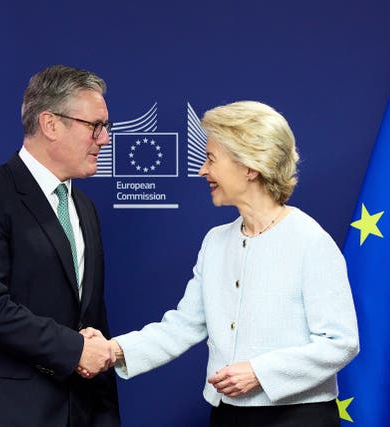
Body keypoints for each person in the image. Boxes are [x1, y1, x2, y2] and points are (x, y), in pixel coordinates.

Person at [82, 101, 359, 426]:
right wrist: (114, 351)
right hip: (226, 415)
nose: (203, 170)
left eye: (211, 158)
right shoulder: (216, 242)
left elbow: (341, 342)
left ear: (250, 166)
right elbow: (183, 326)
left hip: (298, 418)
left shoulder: (310, 242)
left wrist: (260, 372)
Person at [0, 65, 120, 427]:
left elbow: (92, 322)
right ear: (50, 124)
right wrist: (74, 350)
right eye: (95, 126)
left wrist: (105, 417)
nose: (104, 139)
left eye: (104, 127)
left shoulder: (84, 209)